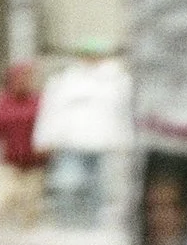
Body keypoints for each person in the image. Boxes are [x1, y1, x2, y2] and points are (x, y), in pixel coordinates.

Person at [32, 45, 131, 227]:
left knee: (100, 191)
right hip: (71, 143)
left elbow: (125, 113)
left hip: (105, 143)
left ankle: (91, 229)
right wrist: (43, 138)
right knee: (68, 184)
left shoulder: (117, 81)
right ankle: (68, 224)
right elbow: (50, 111)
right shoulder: (64, 80)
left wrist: (127, 140)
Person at [0, 60, 49, 228]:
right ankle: (0, 234)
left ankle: (28, 239)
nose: (24, 82)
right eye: (20, 78)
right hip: (9, 161)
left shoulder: (39, 102)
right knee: (5, 197)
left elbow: (51, 127)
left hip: (35, 162)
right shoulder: (0, 104)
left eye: (28, 78)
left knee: (30, 205)